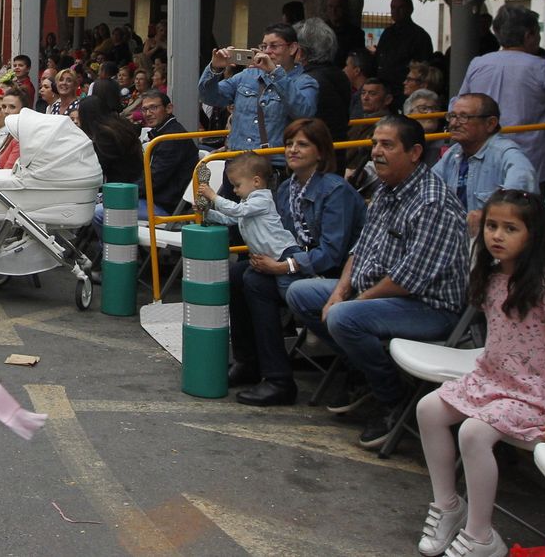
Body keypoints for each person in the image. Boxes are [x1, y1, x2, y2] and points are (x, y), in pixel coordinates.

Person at [413, 190, 545, 557]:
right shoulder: (493, 278)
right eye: (492, 226)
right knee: (428, 409)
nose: (497, 235)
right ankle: (448, 505)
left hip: (538, 394)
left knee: (474, 432)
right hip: (494, 380)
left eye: (510, 228)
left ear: (534, 235)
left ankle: (481, 536)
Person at [285, 114, 469, 449]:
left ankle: (392, 397)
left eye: (387, 145)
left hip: (428, 306)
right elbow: (359, 248)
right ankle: (363, 371)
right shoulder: (387, 189)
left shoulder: (433, 202)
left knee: (344, 317)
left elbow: (408, 279)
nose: (375, 153)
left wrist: (354, 301)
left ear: (414, 153)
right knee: (300, 293)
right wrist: (340, 291)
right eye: (374, 144)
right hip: (379, 294)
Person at [227, 118, 366, 406]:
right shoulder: (285, 188)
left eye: (302, 144)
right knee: (239, 272)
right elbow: (278, 234)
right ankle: (249, 362)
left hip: (334, 272)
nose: (292, 150)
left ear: (321, 152)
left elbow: (332, 253)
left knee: (254, 281)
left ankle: (278, 379)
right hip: (296, 263)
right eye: (289, 143)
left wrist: (284, 266)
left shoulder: (335, 190)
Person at [457, 5, 545, 187]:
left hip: (485, 160)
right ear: (529, 35)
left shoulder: (477, 64)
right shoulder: (541, 67)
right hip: (533, 165)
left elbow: (458, 104)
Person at [200, 25, 320, 173]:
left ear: (292, 48)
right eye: (264, 46)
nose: (267, 51)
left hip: (272, 165)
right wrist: (214, 69)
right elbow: (209, 97)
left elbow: (304, 113)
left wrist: (275, 73)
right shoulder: (247, 76)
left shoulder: (305, 82)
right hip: (236, 160)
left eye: (274, 46)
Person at [432, 93, 538, 235]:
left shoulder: (507, 155)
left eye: (464, 117)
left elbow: (521, 194)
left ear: (490, 124)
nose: (454, 123)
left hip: (495, 241)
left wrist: (489, 215)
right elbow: (428, 187)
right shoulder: (453, 153)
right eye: (452, 116)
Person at [196, 151, 298, 260]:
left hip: (284, 252)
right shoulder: (247, 202)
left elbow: (236, 210)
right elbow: (229, 219)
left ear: (256, 182)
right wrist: (207, 212)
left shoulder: (262, 200)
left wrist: (213, 196)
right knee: (241, 271)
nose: (234, 190)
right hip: (270, 256)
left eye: (237, 185)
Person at [136, 90, 197, 219]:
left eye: (153, 107)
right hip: (157, 199)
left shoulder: (171, 138)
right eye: (144, 109)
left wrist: (125, 193)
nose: (148, 113)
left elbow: (155, 179)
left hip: (166, 206)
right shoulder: (162, 133)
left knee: (101, 213)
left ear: (169, 108)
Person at [297, 18, 350, 140]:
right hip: (336, 143)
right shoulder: (340, 74)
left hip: (314, 144)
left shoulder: (308, 80)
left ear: (301, 52)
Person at [375, 0, 433, 91]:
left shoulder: (420, 36)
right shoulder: (387, 33)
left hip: (404, 88)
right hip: (384, 87)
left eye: (400, 8)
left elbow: (423, 67)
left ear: (410, 10)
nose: (396, 11)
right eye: (393, 8)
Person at [324, 0, 366, 67]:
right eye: (330, 6)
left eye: (338, 7)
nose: (334, 10)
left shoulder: (356, 34)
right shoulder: (320, 31)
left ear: (344, 9)